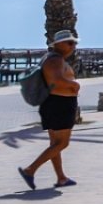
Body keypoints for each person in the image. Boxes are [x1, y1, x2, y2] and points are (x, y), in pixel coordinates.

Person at [20, 30, 82, 190]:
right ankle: (30, 170)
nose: (73, 46)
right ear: (58, 45)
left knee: (55, 143)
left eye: (74, 43)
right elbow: (56, 80)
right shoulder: (55, 60)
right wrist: (74, 85)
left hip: (54, 104)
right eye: (69, 43)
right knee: (62, 143)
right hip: (60, 104)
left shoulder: (52, 58)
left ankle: (61, 178)